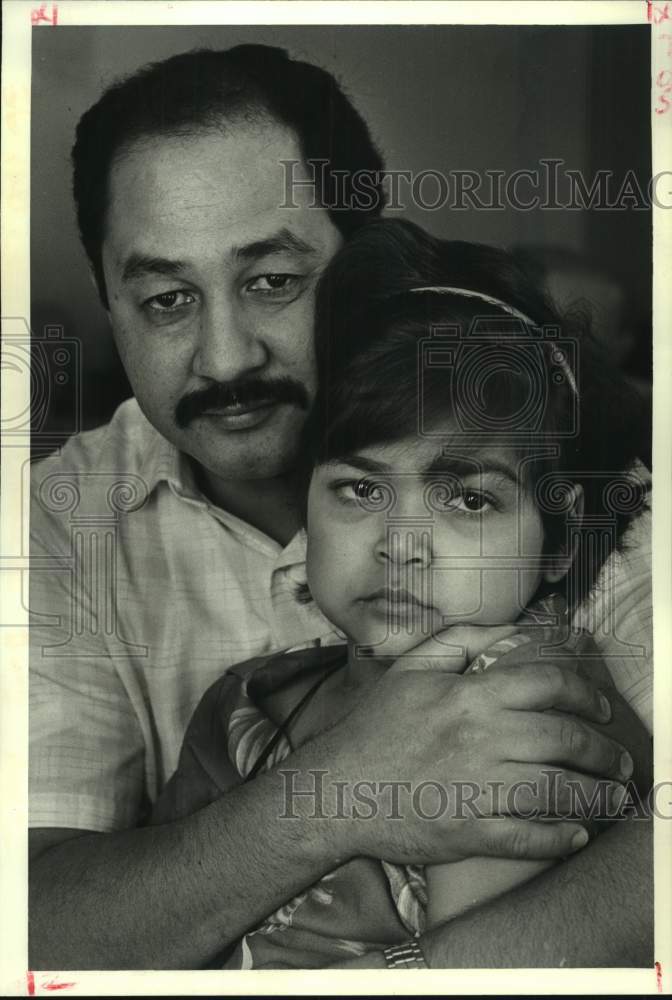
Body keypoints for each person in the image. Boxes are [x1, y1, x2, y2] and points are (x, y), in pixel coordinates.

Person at [29, 45, 653, 970]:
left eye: (273, 281)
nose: (227, 357)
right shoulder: (56, 526)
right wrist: (345, 785)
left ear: (364, 269)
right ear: (110, 305)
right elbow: (33, 925)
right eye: (166, 299)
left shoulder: (570, 478)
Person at [150, 219, 652, 969]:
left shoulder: (527, 706)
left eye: (470, 502)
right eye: (358, 488)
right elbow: (150, 926)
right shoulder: (246, 702)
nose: (401, 543)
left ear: (557, 539)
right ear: (305, 509)